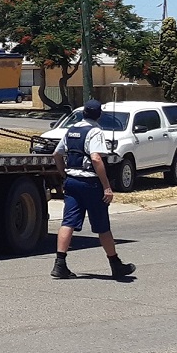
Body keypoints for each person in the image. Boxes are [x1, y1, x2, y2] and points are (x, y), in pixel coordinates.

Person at [51, 99, 136, 279]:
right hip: (90, 183)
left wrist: (64, 175)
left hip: (72, 182)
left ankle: (60, 264)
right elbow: (96, 158)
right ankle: (115, 264)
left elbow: (57, 155)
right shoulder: (95, 131)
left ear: (83, 113)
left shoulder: (71, 130)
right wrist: (106, 186)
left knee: (68, 222)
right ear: (99, 115)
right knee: (102, 226)